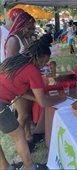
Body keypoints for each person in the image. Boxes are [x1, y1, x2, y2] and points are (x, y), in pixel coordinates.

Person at [0, 34, 66, 169]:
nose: (43, 65)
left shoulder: (16, 60)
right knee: (19, 135)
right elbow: (43, 102)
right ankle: (30, 167)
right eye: (44, 61)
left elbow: (21, 91)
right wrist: (60, 98)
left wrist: (38, 98)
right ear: (39, 57)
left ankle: (4, 167)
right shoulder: (32, 70)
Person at [4, 12, 36, 143]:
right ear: (21, 26)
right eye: (29, 28)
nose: (32, 31)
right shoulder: (14, 40)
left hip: (25, 81)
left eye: (33, 28)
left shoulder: (26, 38)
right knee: (23, 115)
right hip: (16, 84)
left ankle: (28, 136)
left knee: (27, 113)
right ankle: (19, 142)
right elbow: (10, 66)